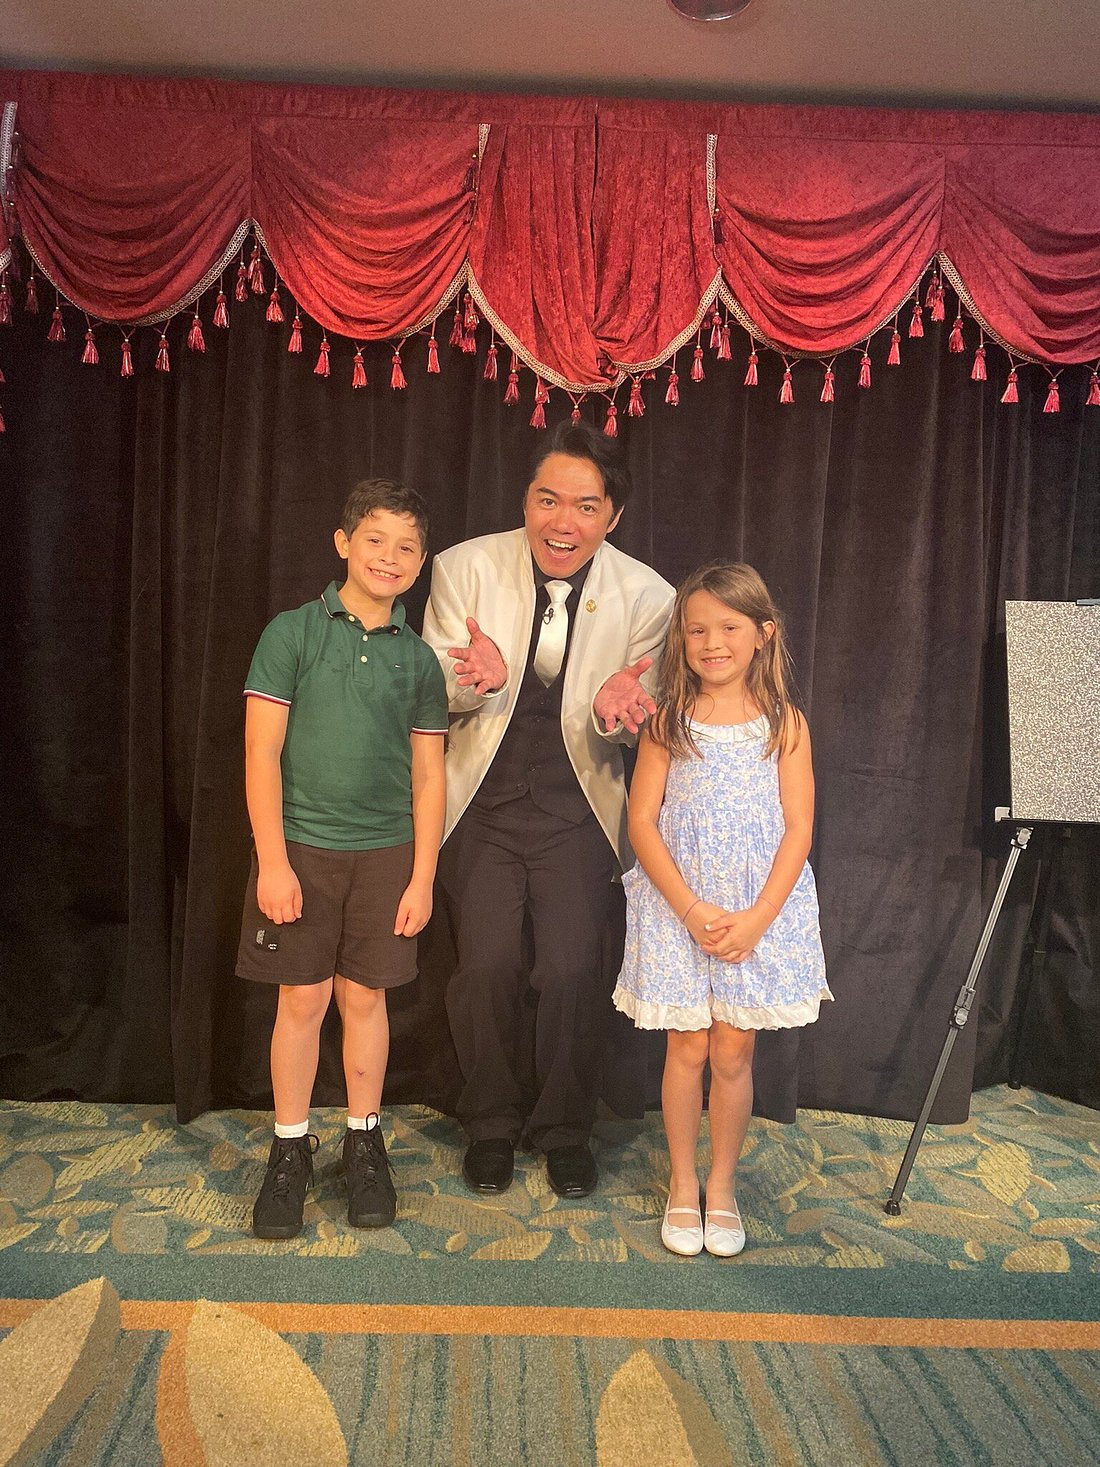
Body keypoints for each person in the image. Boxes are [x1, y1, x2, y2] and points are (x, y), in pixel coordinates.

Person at [422, 420, 675, 1199]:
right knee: (485, 968)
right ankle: (491, 1121)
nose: (563, 522)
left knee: (571, 970)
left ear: (613, 516)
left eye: (586, 507)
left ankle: (566, 1126)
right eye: (547, 500)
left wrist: (615, 710)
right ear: (526, 500)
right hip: (484, 809)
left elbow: (647, 708)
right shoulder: (463, 568)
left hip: (578, 812)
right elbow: (430, 688)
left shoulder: (649, 595)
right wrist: (480, 681)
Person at [237, 480, 448, 1240]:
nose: (389, 557)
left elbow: (430, 776)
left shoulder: (421, 662)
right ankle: (290, 1147)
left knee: (366, 1001)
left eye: (406, 547)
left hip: (387, 858)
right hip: (300, 851)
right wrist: (272, 861)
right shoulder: (291, 633)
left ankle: (365, 1138)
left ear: (421, 562)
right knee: (301, 1002)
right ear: (342, 542)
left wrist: (422, 875)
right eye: (375, 539)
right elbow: (261, 751)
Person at [612, 563, 831, 1257]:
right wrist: (688, 905)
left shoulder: (784, 724)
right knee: (688, 1045)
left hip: (756, 910)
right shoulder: (667, 721)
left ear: (762, 634)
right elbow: (642, 820)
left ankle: (723, 1185)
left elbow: (799, 826)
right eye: (697, 628)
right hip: (682, 905)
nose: (712, 642)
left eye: (729, 627)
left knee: (734, 1047)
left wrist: (759, 916)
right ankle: (683, 1183)